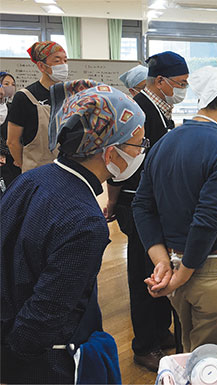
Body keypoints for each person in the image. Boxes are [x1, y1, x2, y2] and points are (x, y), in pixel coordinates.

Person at [1, 79, 146, 383]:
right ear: (109, 151)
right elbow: (46, 312)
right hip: (44, 362)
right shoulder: (85, 221)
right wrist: (17, 360)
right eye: (138, 144)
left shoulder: (34, 179)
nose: (142, 152)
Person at [132, 66, 217, 353]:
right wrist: (182, 274)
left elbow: (141, 206)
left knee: (187, 352)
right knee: (208, 363)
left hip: (175, 264)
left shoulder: (164, 143)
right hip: (211, 272)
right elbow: (208, 220)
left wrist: (162, 262)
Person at [104, 51, 188, 371]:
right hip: (136, 203)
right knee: (143, 273)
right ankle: (143, 346)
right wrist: (112, 202)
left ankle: (159, 330)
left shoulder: (162, 110)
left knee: (158, 268)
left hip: (156, 204)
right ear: (161, 81)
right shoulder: (138, 111)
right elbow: (117, 165)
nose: (183, 89)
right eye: (180, 83)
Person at [6, 41, 67, 173]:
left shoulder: (69, 95)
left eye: (65, 60)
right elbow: (12, 142)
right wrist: (26, 168)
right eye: (57, 61)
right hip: (36, 172)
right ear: (41, 66)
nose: (63, 65)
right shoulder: (25, 97)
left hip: (67, 172)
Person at [0, 72, 19, 190]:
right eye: (6, 84)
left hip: (11, 161)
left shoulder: (13, 108)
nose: (9, 87)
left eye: (13, 84)